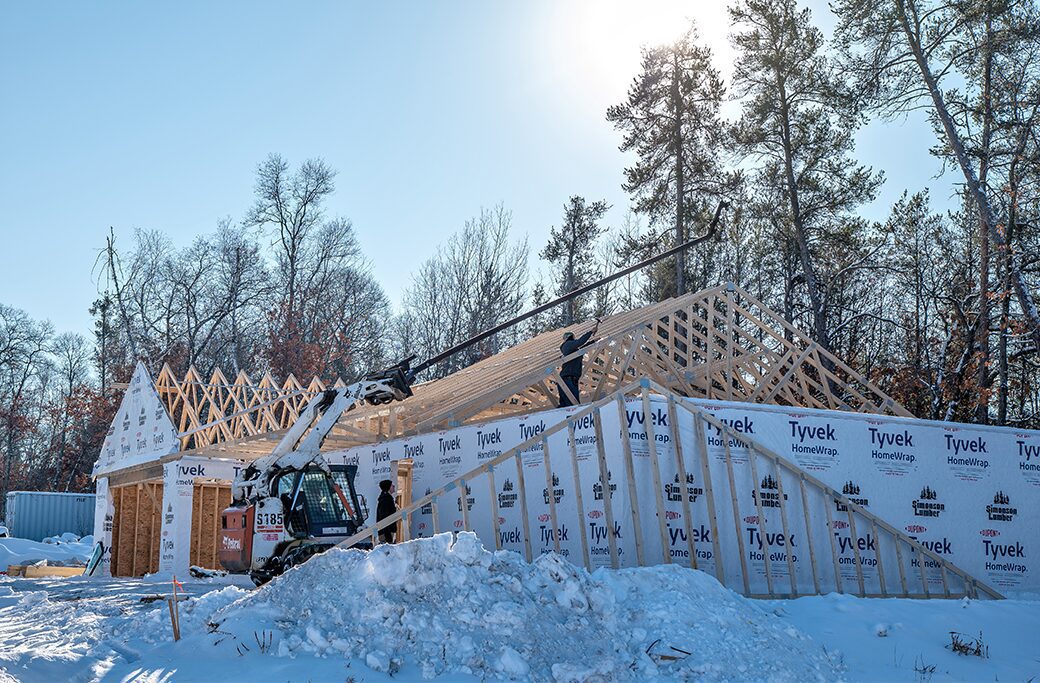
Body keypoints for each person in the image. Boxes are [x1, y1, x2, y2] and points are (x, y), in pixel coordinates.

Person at [558, 318, 600, 407]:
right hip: (567, 380)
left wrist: (593, 341)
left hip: (570, 380)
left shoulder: (572, 350)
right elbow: (580, 342)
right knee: (572, 406)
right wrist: (590, 332)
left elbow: (582, 347)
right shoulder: (567, 345)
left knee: (569, 406)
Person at [376, 479, 397, 544]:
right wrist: (388, 536)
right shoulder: (385, 499)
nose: (394, 486)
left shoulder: (387, 498)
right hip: (386, 532)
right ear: (388, 488)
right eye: (392, 485)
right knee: (387, 548)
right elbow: (384, 517)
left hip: (387, 531)